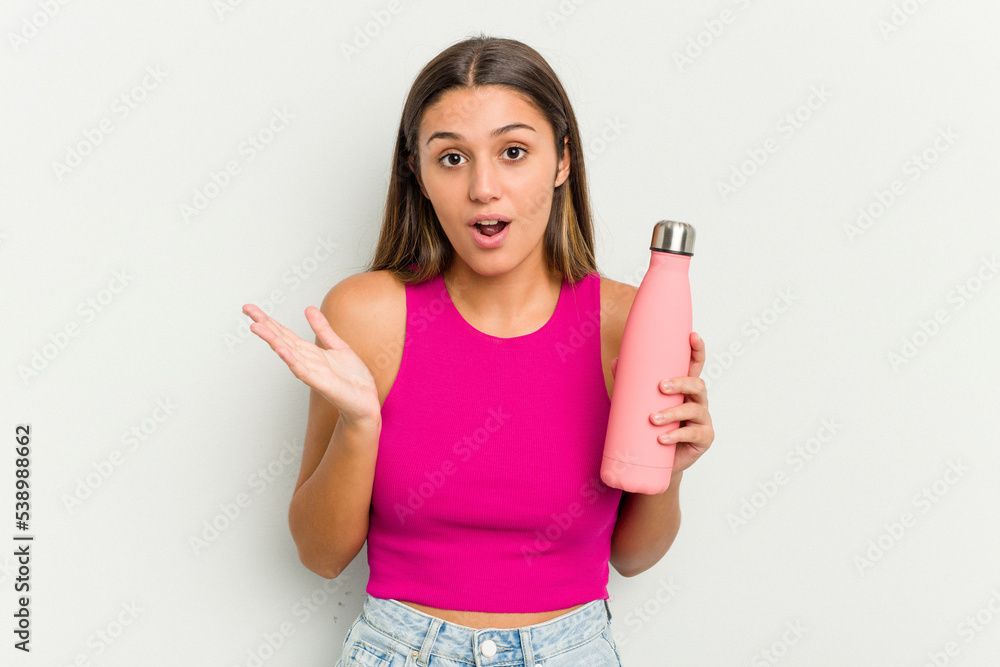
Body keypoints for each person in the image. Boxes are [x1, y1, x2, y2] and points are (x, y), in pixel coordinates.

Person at [242, 33, 714, 667]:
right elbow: (321, 556)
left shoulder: (630, 322)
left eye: (513, 152)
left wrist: (669, 470)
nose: (483, 187)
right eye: (452, 158)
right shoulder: (366, 314)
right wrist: (359, 426)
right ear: (418, 173)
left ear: (562, 160)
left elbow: (633, 558)